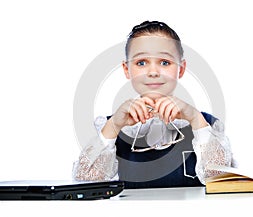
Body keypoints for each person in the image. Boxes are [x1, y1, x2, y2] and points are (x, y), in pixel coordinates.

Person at [73, 21, 235, 188]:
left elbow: (223, 180)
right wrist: (113, 127)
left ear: (181, 68)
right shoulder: (114, 126)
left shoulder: (204, 123)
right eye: (141, 62)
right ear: (126, 69)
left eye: (165, 62)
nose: (153, 72)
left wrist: (196, 120)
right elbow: (84, 183)